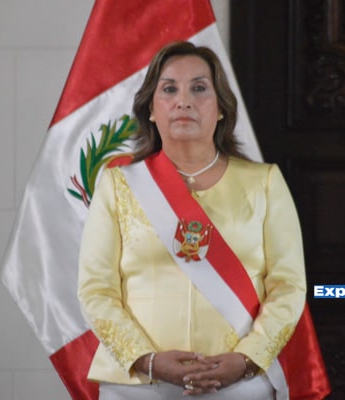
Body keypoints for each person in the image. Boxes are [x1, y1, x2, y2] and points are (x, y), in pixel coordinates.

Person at [77, 41, 307, 399]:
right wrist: (147, 361)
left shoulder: (264, 183)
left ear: (221, 108)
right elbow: (96, 289)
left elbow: (288, 286)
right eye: (169, 89)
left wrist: (247, 359)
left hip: (239, 383)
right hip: (139, 386)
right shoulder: (118, 185)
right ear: (151, 109)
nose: (183, 101)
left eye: (199, 88)